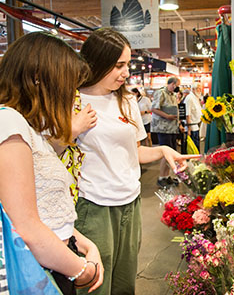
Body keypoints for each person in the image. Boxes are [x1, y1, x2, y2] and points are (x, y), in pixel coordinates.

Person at [0, 32, 103, 294]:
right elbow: (26, 227)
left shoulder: (23, 126)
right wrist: (82, 270)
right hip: (33, 269)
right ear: (38, 79)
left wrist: (84, 244)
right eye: (68, 85)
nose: (71, 94)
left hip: (51, 261)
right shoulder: (7, 124)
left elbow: (44, 210)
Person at [74, 27, 197, 295]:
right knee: (95, 284)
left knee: (124, 282)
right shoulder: (73, 101)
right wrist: (72, 127)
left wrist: (165, 152)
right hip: (94, 205)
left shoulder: (127, 100)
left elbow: (136, 152)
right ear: (97, 62)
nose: (126, 72)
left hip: (130, 200)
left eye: (127, 64)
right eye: (119, 65)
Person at [151, 77, 181, 188]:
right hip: (163, 128)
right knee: (166, 153)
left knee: (171, 153)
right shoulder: (161, 92)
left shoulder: (173, 95)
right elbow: (154, 109)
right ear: (172, 84)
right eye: (177, 85)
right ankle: (161, 178)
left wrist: (179, 124)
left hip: (172, 128)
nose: (177, 88)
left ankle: (166, 176)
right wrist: (167, 116)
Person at [184, 82, 203, 151]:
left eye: (200, 89)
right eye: (198, 88)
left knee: (196, 148)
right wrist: (189, 129)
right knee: (192, 149)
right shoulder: (189, 98)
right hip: (191, 127)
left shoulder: (196, 97)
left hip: (196, 126)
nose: (200, 90)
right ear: (193, 89)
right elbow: (187, 114)